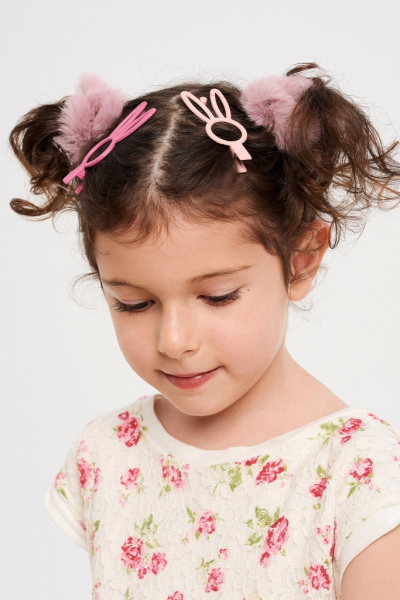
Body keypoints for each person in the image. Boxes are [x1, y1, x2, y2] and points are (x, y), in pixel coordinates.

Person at [9, 63, 400, 599]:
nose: (174, 341)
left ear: (301, 259)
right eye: (134, 303)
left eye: (218, 297)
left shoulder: (363, 476)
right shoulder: (107, 453)